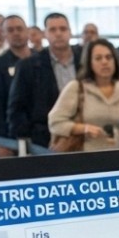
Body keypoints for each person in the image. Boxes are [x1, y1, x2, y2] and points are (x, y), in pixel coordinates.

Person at [8, 12, 81, 149]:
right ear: (44, 34)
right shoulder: (29, 66)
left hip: (84, 133)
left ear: (70, 32)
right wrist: (27, 138)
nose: (58, 34)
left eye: (63, 29)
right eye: (53, 30)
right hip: (45, 139)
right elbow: (17, 107)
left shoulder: (84, 59)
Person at [48, 38, 119, 151]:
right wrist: (83, 128)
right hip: (84, 157)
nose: (104, 62)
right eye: (98, 58)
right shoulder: (76, 88)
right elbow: (55, 122)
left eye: (108, 57)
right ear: (89, 63)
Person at [0, 14, 31, 156]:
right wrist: (1, 141)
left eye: (19, 29)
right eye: (10, 30)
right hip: (12, 137)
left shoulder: (40, 60)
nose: (16, 33)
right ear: (3, 34)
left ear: (27, 31)